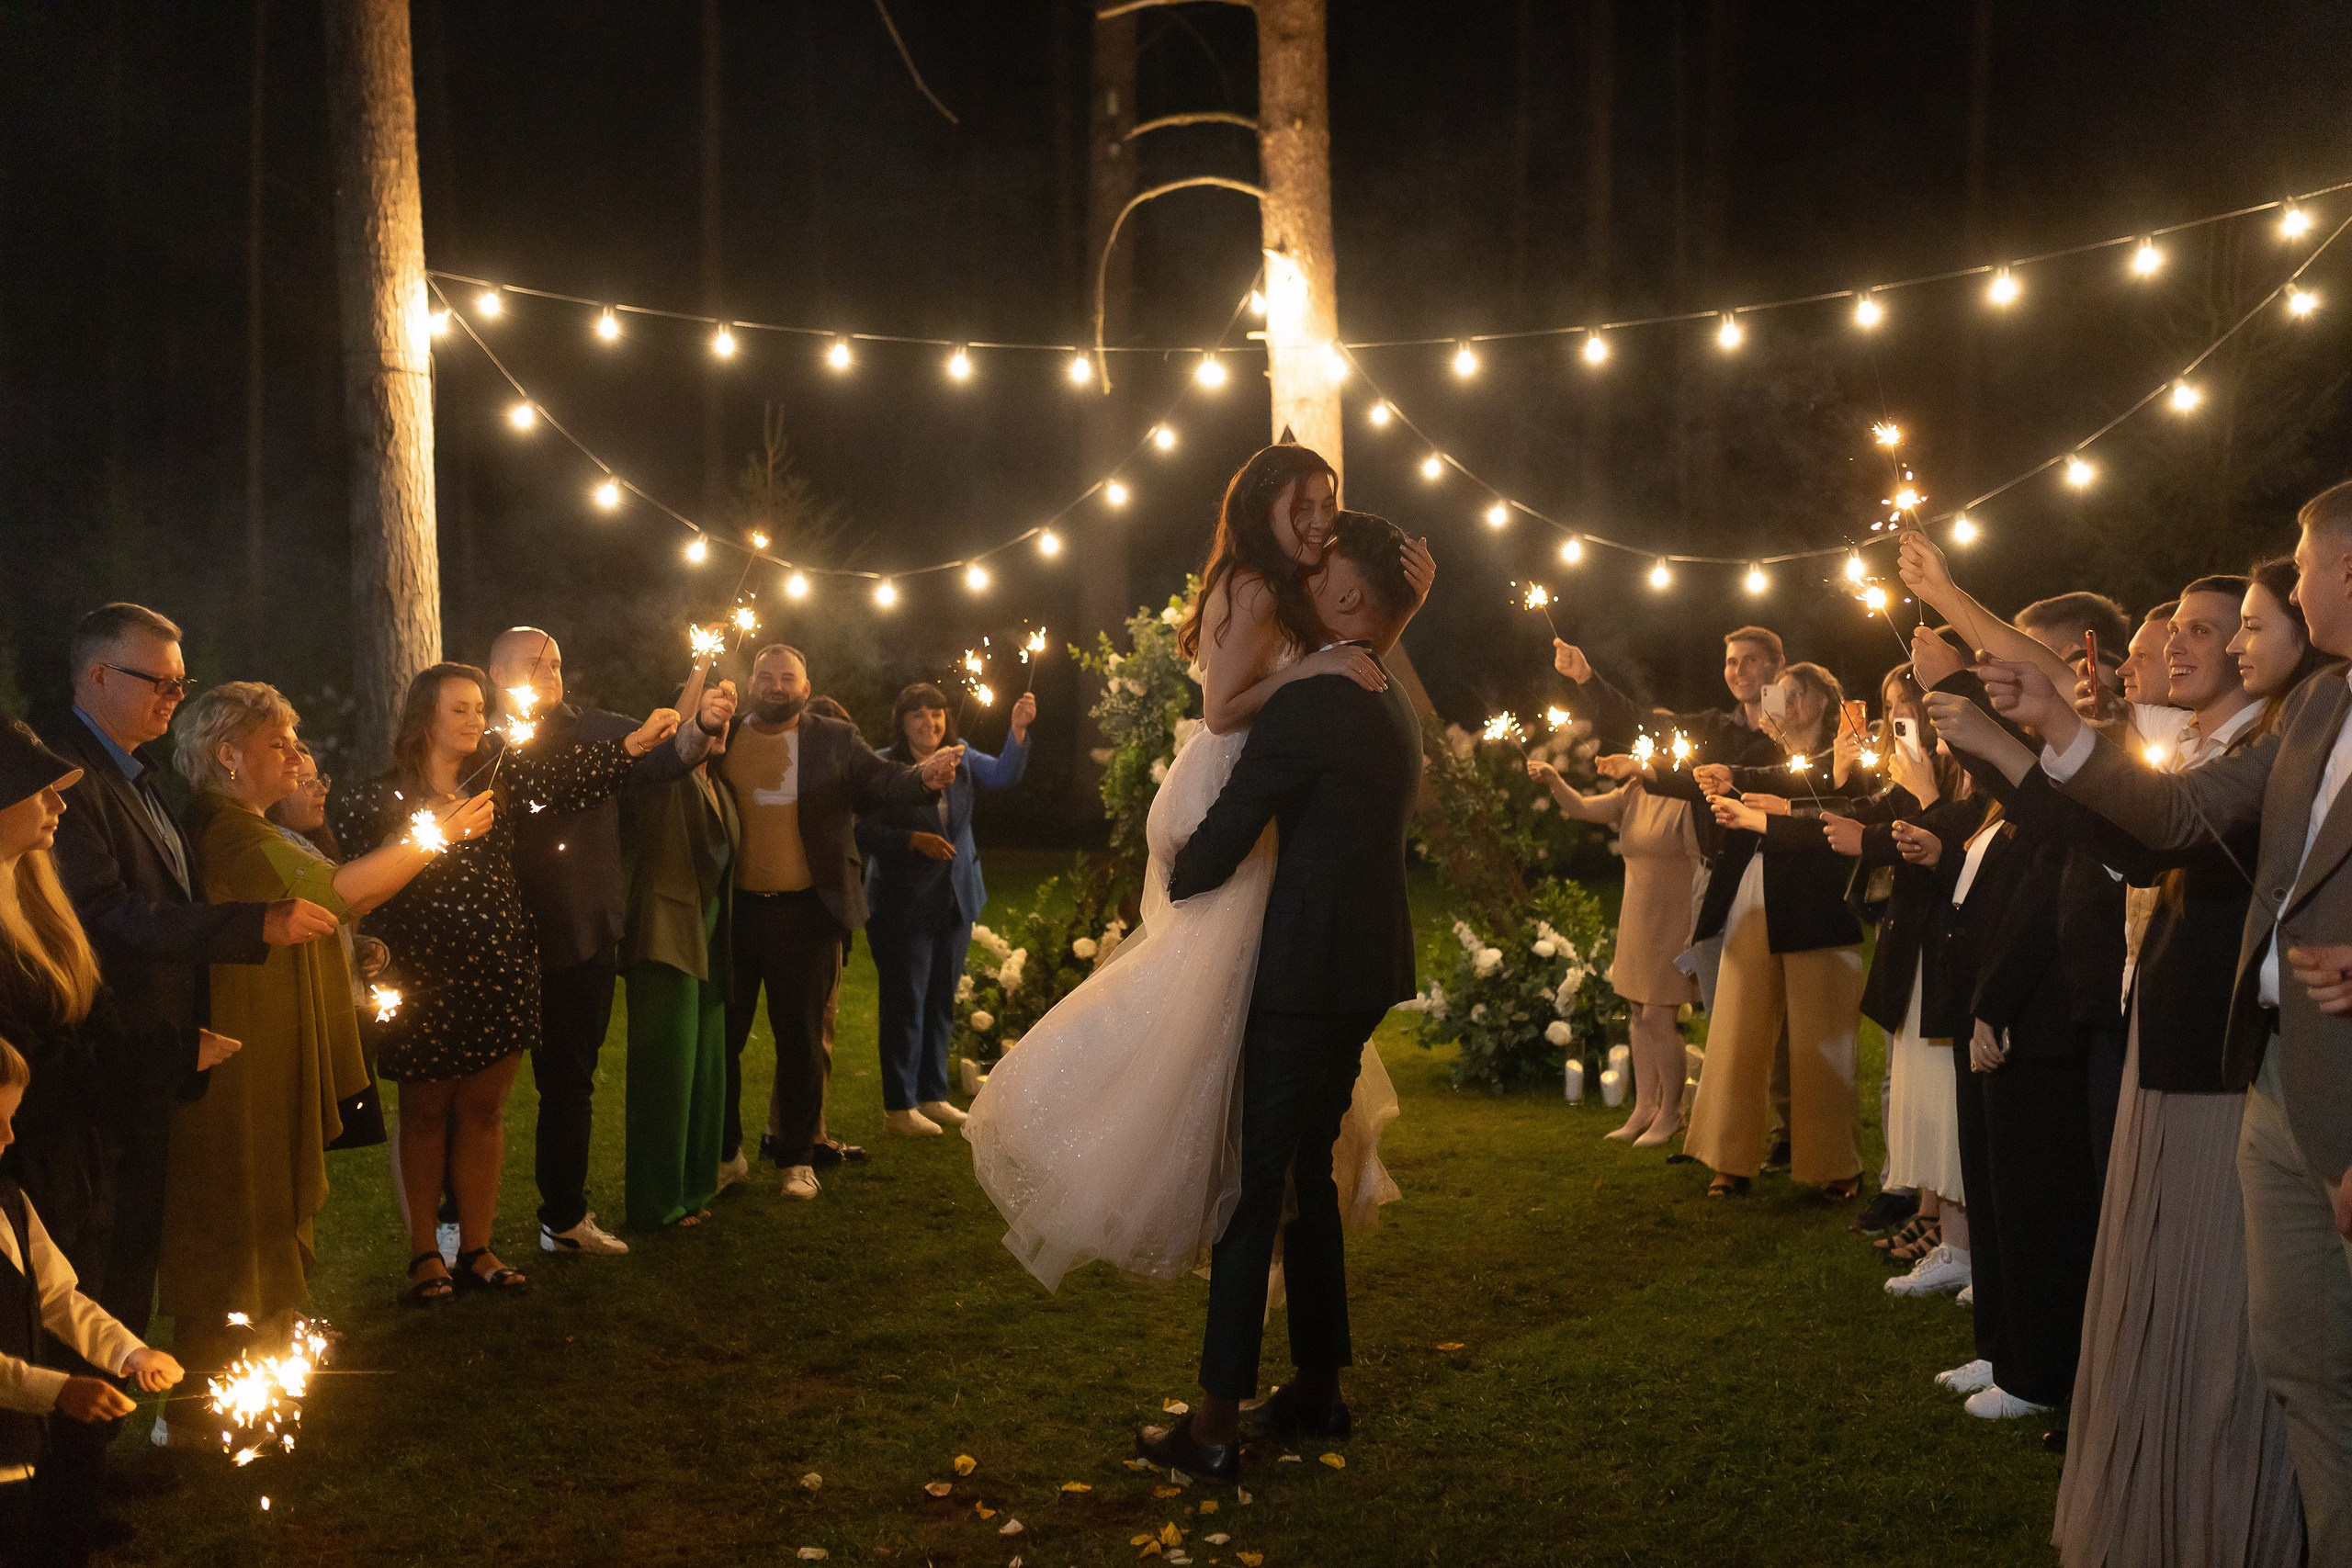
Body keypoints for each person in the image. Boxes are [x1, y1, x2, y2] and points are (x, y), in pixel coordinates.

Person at [1957, 489, 2352, 1552]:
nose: (2295, 584)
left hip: (2314, 1083)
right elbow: (2174, 819)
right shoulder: (2317, 714)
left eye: (2302, 570)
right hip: (2264, 1066)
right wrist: (2049, 732)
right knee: (2301, 1372)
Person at [1131, 506, 1427, 1482]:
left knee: (1254, 1189)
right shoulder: (1384, 689)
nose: (1299, 580)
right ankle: (1316, 1387)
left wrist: (1172, 863)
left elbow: (1231, 827)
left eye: (1320, 574)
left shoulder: (1313, 702)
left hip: (1302, 976)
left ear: (1346, 598)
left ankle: (1213, 1425)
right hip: (1363, 969)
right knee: (1305, 1176)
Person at [155, 682, 469, 1437]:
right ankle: (201, 1413)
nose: (300, 756)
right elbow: (331, 888)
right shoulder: (227, 832)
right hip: (239, 1061)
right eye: (281, 743)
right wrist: (435, 838)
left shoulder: (253, 825)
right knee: (235, 1217)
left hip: (271, 1049)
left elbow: (317, 911)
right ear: (228, 755)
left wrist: (349, 950)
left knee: (268, 1206)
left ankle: (253, 1395)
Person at [330, 663, 675, 1303]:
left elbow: (570, 776)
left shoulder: (502, 780)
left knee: (485, 1112)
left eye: (479, 708)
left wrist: (634, 742)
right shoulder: (372, 798)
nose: (474, 719)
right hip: (424, 975)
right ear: (423, 715)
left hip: (501, 968)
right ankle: (426, 1252)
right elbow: (355, 884)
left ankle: (479, 1248)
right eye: (459, 708)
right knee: (428, 1111)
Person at [488, 627, 731, 1260]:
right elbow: (543, 785)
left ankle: (564, 1217)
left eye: (557, 663)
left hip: (583, 930)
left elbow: (666, 756)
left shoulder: (595, 726)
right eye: (531, 664)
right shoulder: (484, 742)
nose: (548, 672)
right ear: (495, 673)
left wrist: (699, 725)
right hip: (495, 940)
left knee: (570, 1083)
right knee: (475, 1088)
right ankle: (457, 1226)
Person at [716, 644, 959, 1201]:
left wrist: (924, 775)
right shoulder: (723, 736)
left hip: (809, 911)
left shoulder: (832, 738)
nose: (777, 686)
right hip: (738, 911)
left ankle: (797, 1159)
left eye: (788, 678)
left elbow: (885, 782)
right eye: (766, 676)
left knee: (801, 1040)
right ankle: (726, 1153)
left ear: (806, 687)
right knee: (722, 1041)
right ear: (751, 682)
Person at [1814, 660, 1984, 1278]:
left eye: (1908, 700)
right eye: (1892, 704)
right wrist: (1769, 812)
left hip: (1948, 949)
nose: (1900, 715)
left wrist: (1922, 799)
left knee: (1939, 1091)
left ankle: (1955, 1233)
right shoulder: (1918, 765)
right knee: (1914, 1086)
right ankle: (1939, 1219)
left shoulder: (1967, 772)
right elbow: (1874, 817)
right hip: (1910, 942)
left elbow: (1949, 847)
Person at [1683, 663, 1868, 1200]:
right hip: (1755, 899)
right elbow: (1765, 777)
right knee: (1736, 1033)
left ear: (1810, 700)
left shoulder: (1854, 747)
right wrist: (1727, 776)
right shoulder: (1768, 750)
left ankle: (1836, 1163)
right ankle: (1729, 1157)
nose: (1770, 704)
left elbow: (1856, 804)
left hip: (1821, 908)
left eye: (1783, 695)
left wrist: (1826, 778)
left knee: (1821, 1040)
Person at [0, 1034, 185, 1563]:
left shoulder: (10, 1201)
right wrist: (56, 1390)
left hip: (16, 1458)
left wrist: (129, 1353)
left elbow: (59, 1296)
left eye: (13, 1117)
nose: (11, 1137)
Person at [858, 681, 1035, 1137]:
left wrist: (1016, 731)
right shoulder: (883, 765)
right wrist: (912, 841)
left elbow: (1004, 776)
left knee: (941, 999)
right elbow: (864, 831)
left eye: (936, 714)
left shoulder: (961, 755)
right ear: (902, 722)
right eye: (918, 715)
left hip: (956, 896)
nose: (929, 723)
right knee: (905, 1002)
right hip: (902, 900)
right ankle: (900, 1105)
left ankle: (933, 1095)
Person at [1526, 728, 1699, 1145]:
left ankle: (1671, 1112)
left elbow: (1702, 863)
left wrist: (1698, 932)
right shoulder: (1635, 791)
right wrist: (1554, 780)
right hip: (1638, 914)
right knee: (1638, 1014)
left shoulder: (1688, 800)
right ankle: (1644, 1107)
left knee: (1660, 1017)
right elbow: (1584, 807)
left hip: (1676, 918)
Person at [617, 677, 741, 1232]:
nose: (720, 722)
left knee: (705, 1070)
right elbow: (677, 742)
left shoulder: (721, 784)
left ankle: (693, 1188)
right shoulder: (657, 779)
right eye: (709, 714)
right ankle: (654, 1201)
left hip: (711, 935)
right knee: (665, 1073)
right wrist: (696, 692)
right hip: (664, 934)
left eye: (725, 715)